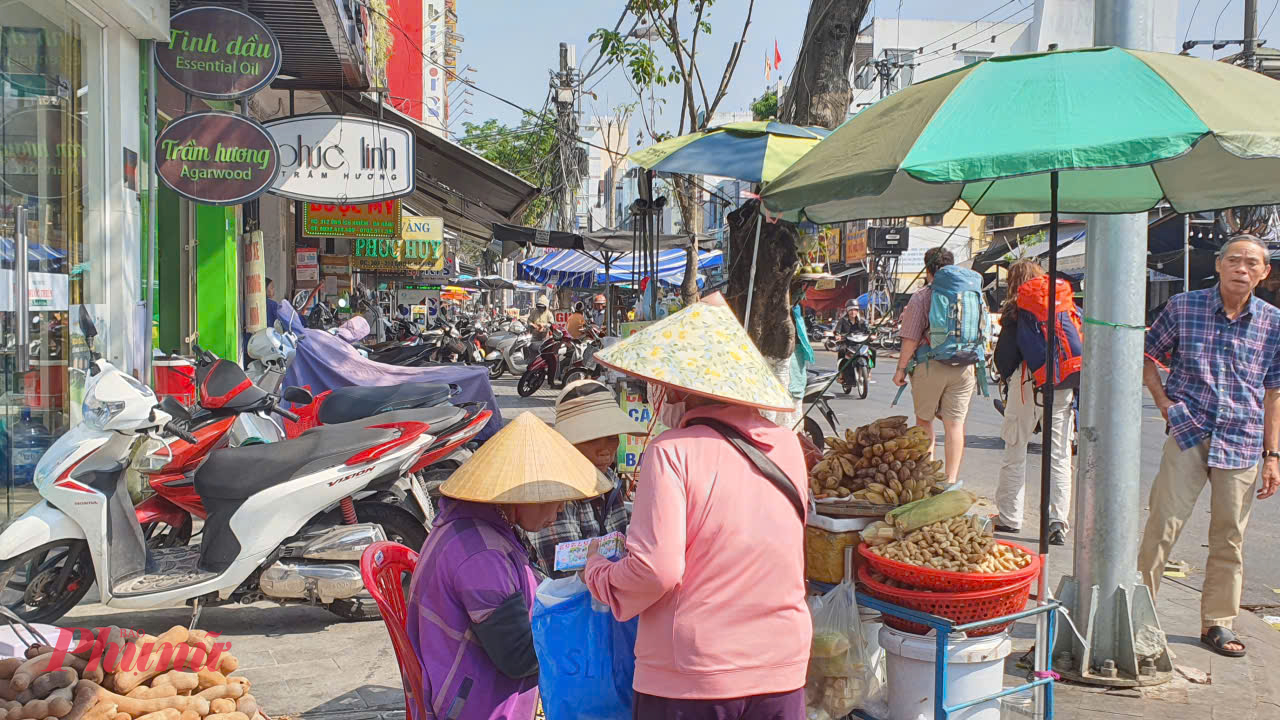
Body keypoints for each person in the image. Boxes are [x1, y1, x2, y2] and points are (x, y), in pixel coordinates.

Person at [584, 292, 811, 719]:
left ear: (679, 388)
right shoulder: (787, 445)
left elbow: (656, 570)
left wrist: (599, 571)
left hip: (694, 675)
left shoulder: (672, 451)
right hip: (782, 663)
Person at [407, 412, 612, 720]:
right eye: (556, 501)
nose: (557, 514)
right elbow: (519, 656)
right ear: (523, 497)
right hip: (477, 703)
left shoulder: (483, 527)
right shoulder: (481, 555)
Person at [1138, 233, 1280, 659]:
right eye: (1235, 260)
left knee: (1229, 537)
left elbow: (1274, 392)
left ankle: (1217, 623)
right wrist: (1163, 403)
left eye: (1252, 263)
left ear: (1264, 272)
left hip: (1242, 438)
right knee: (1163, 524)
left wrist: (1272, 455)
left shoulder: (1273, 322)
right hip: (1188, 430)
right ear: (1218, 265)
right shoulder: (1184, 306)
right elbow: (1145, 355)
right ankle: (1138, 614)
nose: (1242, 269)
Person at [991, 260, 1075, 545]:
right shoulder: (1061, 305)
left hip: (1027, 383)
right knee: (1060, 454)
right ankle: (1057, 521)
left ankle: (1009, 516)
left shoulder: (1017, 310)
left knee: (1015, 448)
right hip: (1062, 383)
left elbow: (1004, 357)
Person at [527, 379, 646, 579]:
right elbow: (562, 572)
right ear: (568, 442)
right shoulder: (556, 492)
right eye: (591, 440)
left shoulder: (609, 479)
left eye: (611, 437)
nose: (605, 451)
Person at [893, 247, 977, 485]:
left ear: (927, 268)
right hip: (964, 366)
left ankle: (928, 479)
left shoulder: (922, 296)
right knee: (955, 425)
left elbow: (910, 337)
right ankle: (950, 481)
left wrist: (900, 369)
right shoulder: (968, 293)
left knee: (924, 421)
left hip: (930, 365)